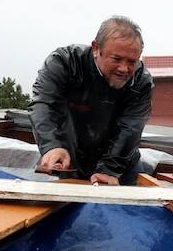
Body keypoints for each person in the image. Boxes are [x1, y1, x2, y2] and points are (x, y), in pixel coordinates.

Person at [29, 16, 152, 186]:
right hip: (69, 159)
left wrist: (109, 170)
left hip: (120, 164)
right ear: (96, 48)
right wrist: (52, 145)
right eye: (116, 59)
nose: (124, 69)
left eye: (132, 61)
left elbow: (130, 128)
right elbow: (44, 104)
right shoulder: (65, 63)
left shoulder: (141, 81)